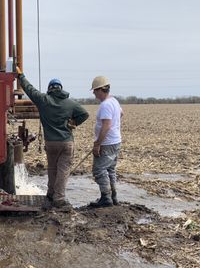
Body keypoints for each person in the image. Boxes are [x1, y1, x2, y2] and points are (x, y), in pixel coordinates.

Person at [16, 67, 89, 208]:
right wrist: (74, 122)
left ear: (50, 89)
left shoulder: (44, 100)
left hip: (51, 143)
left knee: (52, 169)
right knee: (63, 170)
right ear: (61, 89)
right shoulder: (71, 103)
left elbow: (29, 89)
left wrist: (20, 76)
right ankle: (59, 199)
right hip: (66, 143)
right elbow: (84, 114)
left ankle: (50, 194)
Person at [89, 76, 123, 207]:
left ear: (101, 89)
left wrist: (97, 144)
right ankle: (113, 196)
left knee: (99, 170)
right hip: (115, 142)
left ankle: (106, 198)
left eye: (95, 90)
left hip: (107, 143)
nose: (93, 93)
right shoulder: (114, 101)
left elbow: (106, 125)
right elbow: (121, 113)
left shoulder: (105, 105)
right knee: (110, 170)